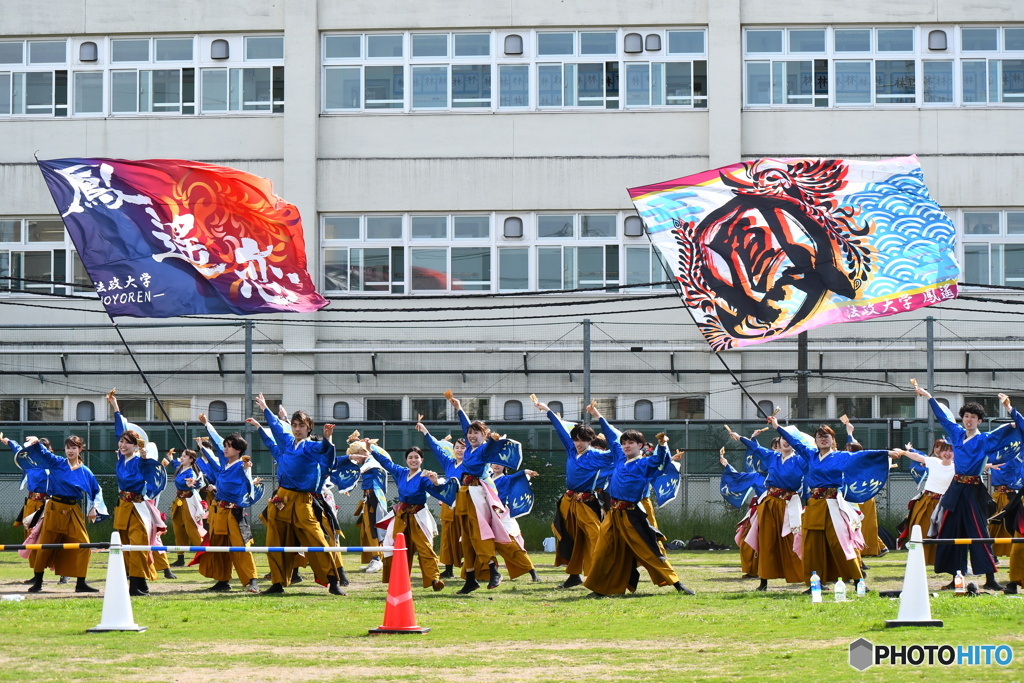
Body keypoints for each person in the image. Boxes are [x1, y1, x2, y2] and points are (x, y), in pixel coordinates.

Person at [769, 415, 899, 588]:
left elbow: (862, 456)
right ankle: (815, 584)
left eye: (826, 436)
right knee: (812, 546)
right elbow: (795, 441)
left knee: (840, 544)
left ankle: (858, 581)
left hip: (833, 505)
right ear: (815, 440)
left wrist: (886, 453)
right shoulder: (810, 455)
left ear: (832, 439)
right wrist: (777, 426)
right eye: (819, 436)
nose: (823, 439)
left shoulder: (841, 456)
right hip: (814, 505)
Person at [916, 386, 1023, 591]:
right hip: (956, 489)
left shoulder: (985, 439)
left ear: (979, 421)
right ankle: (955, 578)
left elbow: (1015, 428)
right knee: (950, 530)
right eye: (966, 416)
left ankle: (990, 579)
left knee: (979, 531)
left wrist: (1010, 409)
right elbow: (943, 417)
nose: (969, 419)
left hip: (973, 490)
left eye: (973, 417)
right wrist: (929, 397)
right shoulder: (956, 434)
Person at [583, 404, 693, 596]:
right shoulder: (619, 457)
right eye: (624, 443)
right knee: (603, 551)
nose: (625, 446)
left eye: (630, 443)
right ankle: (601, 589)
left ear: (641, 446)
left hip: (633, 515)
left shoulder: (645, 463)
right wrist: (597, 415)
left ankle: (677, 584)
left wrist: (662, 444)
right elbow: (610, 435)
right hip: (614, 514)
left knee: (650, 550)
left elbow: (660, 460)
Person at [254, 393, 345, 596]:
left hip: (303, 500)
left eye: (301, 426)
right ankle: (277, 582)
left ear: (308, 428)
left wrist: (328, 438)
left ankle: (333, 581)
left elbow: (326, 451)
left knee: (317, 539)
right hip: (280, 499)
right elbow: (277, 429)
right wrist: (265, 410)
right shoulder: (287, 442)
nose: (296, 429)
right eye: (294, 425)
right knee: (274, 540)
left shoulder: (311, 446)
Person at [447, 391, 528, 594]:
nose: (472, 435)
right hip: (464, 493)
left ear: (483, 435)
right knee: (466, 537)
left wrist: (492, 439)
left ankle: (493, 570)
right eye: (470, 433)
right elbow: (466, 426)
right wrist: (458, 408)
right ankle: (471, 579)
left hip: (477, 495)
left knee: (479, 534)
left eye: (477, 433)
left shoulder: (483, 449)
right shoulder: (469, 448)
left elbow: (492, 445)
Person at [532, 395, 612, 589]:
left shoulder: (599, 456)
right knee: (569, 538)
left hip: (588, 503)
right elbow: (560, 430)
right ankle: (574, 575)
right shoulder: (571, 450)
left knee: (595, 537)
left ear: (591, 440)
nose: (578, 443)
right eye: (576, 439)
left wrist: (599, 416)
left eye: (583, 440)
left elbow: (618, 452)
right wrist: (547, 411)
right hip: (569, 502)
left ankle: (599, 574)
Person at [17, 435, 105, 593]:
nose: (70, 450)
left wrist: (94, 508)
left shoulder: (85, 472)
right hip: (54, 508)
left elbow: (96, 491)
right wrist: (36, 443)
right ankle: (38, 581)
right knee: (45, 545)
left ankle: (81, 582)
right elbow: (44, 454)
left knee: (84, 545)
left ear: (80, 449)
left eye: (74, 447)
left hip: (73, 511)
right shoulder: (57, 462)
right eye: (68, 447)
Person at [359, 444, 446, 591]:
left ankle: (434, 579)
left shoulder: (424, 477)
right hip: (401, 517)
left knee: (425, 548)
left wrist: (436, 482)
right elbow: (386, 463)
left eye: (416, 457)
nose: (413, 460)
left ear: (421, 460)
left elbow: (437, 490)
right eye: (410, 457)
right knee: (395, 548)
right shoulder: (401, 472)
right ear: (406, 460)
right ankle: (396, 580)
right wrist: (371, 449)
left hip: (418, 517)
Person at [729, 427, 806, 590]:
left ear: (794, 443)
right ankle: (763, 581)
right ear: (779, 442)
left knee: (794, 540)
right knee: (766, 541)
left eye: (789, 439)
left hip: (789, 505)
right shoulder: (772, 457)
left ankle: (806, 576)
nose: (785, 441)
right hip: (770, 504)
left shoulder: (801, 460)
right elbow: (756, 448)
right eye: (782, 439)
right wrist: (741, 437)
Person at [106, 389, 161, 596]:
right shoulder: (121, 459)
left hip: (138, 507)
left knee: (138, 545)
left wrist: (146, 458)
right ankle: (137, 583)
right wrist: (115, 407)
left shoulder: (140, 461)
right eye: (121, 442)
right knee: (125, 544)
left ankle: (137, 583)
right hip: (123, 507)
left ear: (136, 446)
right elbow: (120, 429)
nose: (121, 445)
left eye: (126, 443)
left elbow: (152, 474)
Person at [197, 433, 260, 593]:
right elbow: (212, 456)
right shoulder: (224, 465)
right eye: (225, 445)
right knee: (218, 546)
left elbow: (247, 483)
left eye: (229, 446)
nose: (225, 448)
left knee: (240, 546)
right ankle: (223, 580)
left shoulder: (242, 466)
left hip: (234, 513)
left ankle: (252, 580)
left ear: (238, 450)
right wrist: (204, 437)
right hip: (219, 512)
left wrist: (247, 469)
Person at [893, 440, 955, 568]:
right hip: (925, 501)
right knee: (918, 529)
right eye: (944, 449)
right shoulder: (933, 461)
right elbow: (917, 457)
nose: (947, 453)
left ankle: (939, 560)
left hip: (943, 505)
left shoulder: (957, 467)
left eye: (951, 450)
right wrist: (903, 452)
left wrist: (990, 466)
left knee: (940, 534)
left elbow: (975, 466)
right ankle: (917, 559)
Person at [417, 423, 464, 580]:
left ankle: (473, 568)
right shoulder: (449, 462)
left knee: (467, 536)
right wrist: (425, 431)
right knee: (447, 538)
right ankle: (448, 569)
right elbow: (436, 449)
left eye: (463, 448)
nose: (459, 450)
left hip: (466, 504)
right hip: (448, 505)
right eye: (457, 447)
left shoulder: (472, 464)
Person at [842, 420, 889, 560]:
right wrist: (849, 432)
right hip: (849, 497)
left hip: (863, 497)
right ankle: (878, 547)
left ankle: (868, 549)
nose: (847, 452)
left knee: (865, 525)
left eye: (850, 450)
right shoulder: (844, 460)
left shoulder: (863, 464)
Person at [490, 463, 542, 583]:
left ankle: (532, 572)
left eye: (500, 464)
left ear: (505, 467)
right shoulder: (487, 478)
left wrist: (525, 472)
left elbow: (515, 477)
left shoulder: (505, 478)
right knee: (484, 545)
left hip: (501, 514)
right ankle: (484, 574)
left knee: (511, 544)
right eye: (494, 463)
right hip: (487, 515)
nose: (497, 466)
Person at [161, 448, 206, 568]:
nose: (181, 458)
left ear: (191, 459)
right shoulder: (181, 467)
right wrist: (170, 458)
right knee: (178, 529)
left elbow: (195, 483)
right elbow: (175, 463)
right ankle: (180, 558)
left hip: (188, 502)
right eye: (181, 456)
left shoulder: (190, 473)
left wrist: (190, 484)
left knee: (192, 530)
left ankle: (204, 556)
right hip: (179, 501)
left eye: (184, 456)